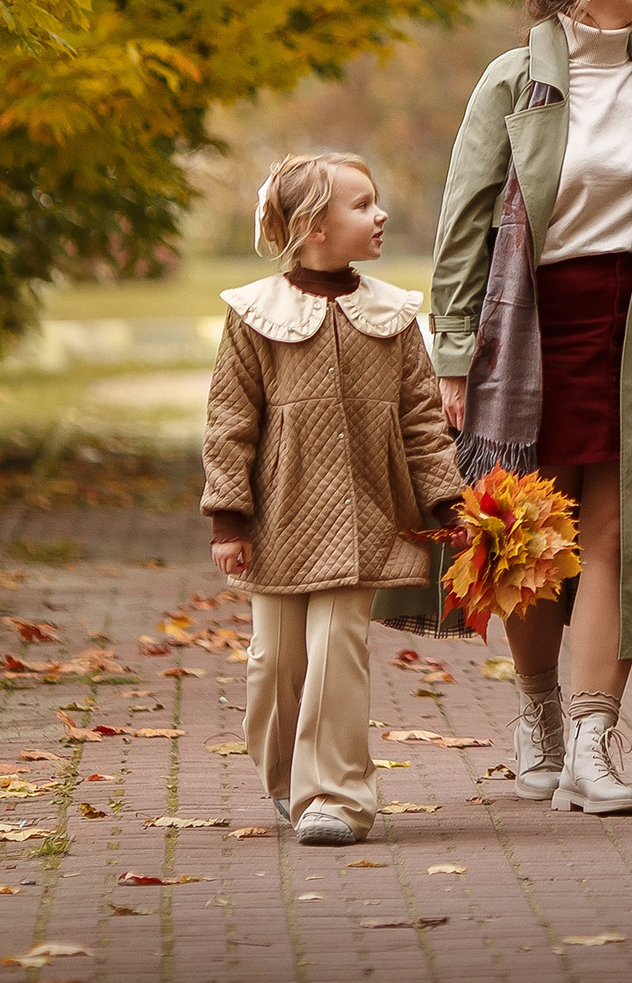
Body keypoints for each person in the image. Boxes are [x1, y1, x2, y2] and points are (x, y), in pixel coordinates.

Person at [377, 0, 632, 818]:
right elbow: (464, 225)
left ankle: (593, 739)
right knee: (525, 536)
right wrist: (453, 357)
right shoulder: (512, 83)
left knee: (620, 533)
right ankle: (537, 708)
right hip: (529, 328)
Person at [202, 152, 465, 847]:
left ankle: (338, 796)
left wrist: (448, 503)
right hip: (279, 516)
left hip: (368, 516)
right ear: (314, 226)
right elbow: (230, 421)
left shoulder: (394, 313)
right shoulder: (256, 315)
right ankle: (291, 780)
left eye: (377, 202)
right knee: (274, 663)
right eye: (362, 205)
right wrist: (228, 518)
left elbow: (421, 420)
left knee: (337, 646)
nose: (380, 215)